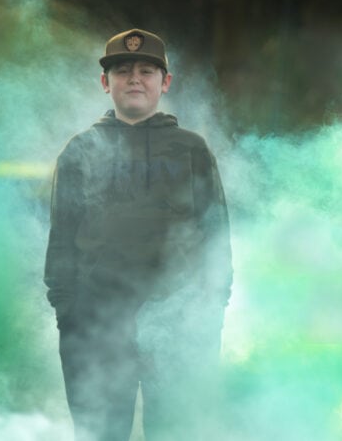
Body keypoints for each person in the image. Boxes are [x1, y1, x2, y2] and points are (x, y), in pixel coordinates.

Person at [45, 28, 233, 441]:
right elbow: (62, 240)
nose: (134, 78)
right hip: (96, 324)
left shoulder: (191, 150)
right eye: (122, 70)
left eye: (147, 70)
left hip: (179, 323)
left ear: (165, 83)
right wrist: (69, 314)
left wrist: (210, 311)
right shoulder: (79, 151)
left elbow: (215, 235)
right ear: (104, 82)